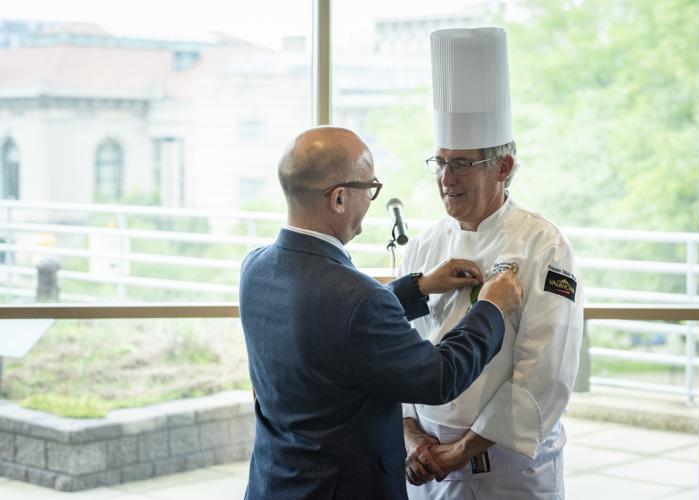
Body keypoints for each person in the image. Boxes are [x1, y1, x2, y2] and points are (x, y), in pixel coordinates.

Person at [239, 126, 523, 500]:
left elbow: (329, 324)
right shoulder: (356, 299)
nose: (372, 200)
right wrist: (491, 307)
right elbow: (439, 377)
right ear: (339, 198)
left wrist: (416, 288)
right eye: (370, 188)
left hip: (273, 483)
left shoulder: (255, 267)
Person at [401, 28, 584, 499]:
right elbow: (397, 352)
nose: (445, 179)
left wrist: (463, 449)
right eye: (439, 163)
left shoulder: (543, 244)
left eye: (461, 164)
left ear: (503, 168)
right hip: (427, 469)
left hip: (508, 474)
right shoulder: (424, 246)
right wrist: (414, 438)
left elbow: (545, 370)